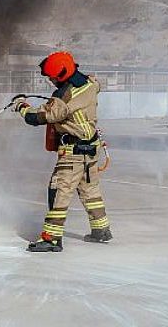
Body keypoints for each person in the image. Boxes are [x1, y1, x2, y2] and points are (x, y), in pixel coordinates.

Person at [12, 51, 112, 252]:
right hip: (91, 150)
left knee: (59, 191)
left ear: (61, 75)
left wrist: (21, 106)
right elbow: (96, 87)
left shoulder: (63, 97)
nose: (50, 81)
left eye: (52, 78)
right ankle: (101, 230)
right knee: (90, 191)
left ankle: (51, 238)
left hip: (73, 154)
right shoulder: (91, 83)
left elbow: (41, 117)